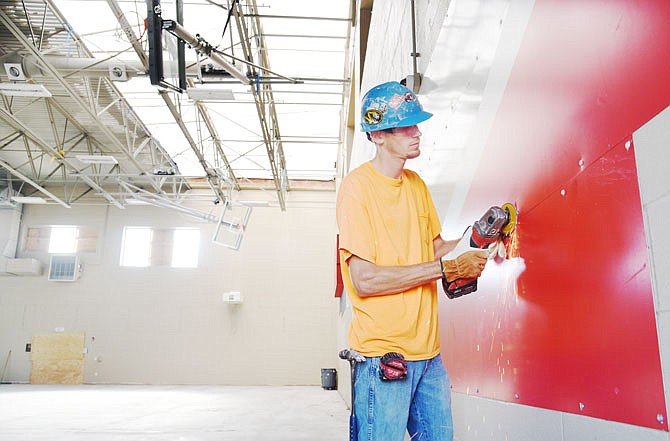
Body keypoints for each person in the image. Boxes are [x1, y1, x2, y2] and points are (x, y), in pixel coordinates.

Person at [336, 81, 489, 441]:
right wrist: (446, 270)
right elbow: (364, 280)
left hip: (429, 355)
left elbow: (435, 250)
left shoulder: (416, 184)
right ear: (378, 135)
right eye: (405, 126)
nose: (417, 132)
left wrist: (477, 236)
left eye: (415, 124)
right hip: (383, 356)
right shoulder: (356, 190)